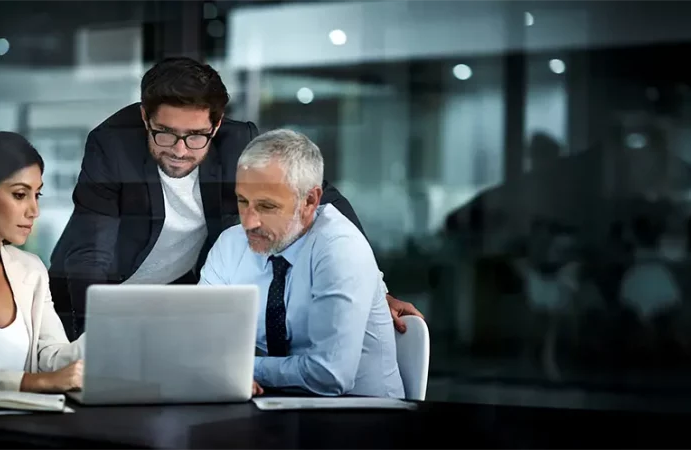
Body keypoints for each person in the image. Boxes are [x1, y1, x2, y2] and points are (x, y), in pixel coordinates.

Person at [48, 57, 422, 339]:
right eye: (165, 133)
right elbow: (89, 253)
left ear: (217, 123)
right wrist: (94, 337)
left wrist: (378, 292)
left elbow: (323, 201)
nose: (180, 150)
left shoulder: (239, 143)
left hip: (173, 299)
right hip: (90, 301)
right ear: (146, 117)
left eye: (196, 136)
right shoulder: (111, 144)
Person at [200, 129, 405, 398]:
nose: (248, 222)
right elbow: (199, 344)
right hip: (274, 413)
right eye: (242, 201)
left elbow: (329, 375)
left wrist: (240, 368)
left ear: (309, 201)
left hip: (362, 419)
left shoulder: (340, 248)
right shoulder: (231, 244)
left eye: (266, 206)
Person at [0, 132, 83, 392]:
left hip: (27, 429)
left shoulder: (31, 269)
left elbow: (51, 355)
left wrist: (107, 337)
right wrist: (30, 382)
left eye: (37, 195)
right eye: (19, 195)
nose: (34, 211)